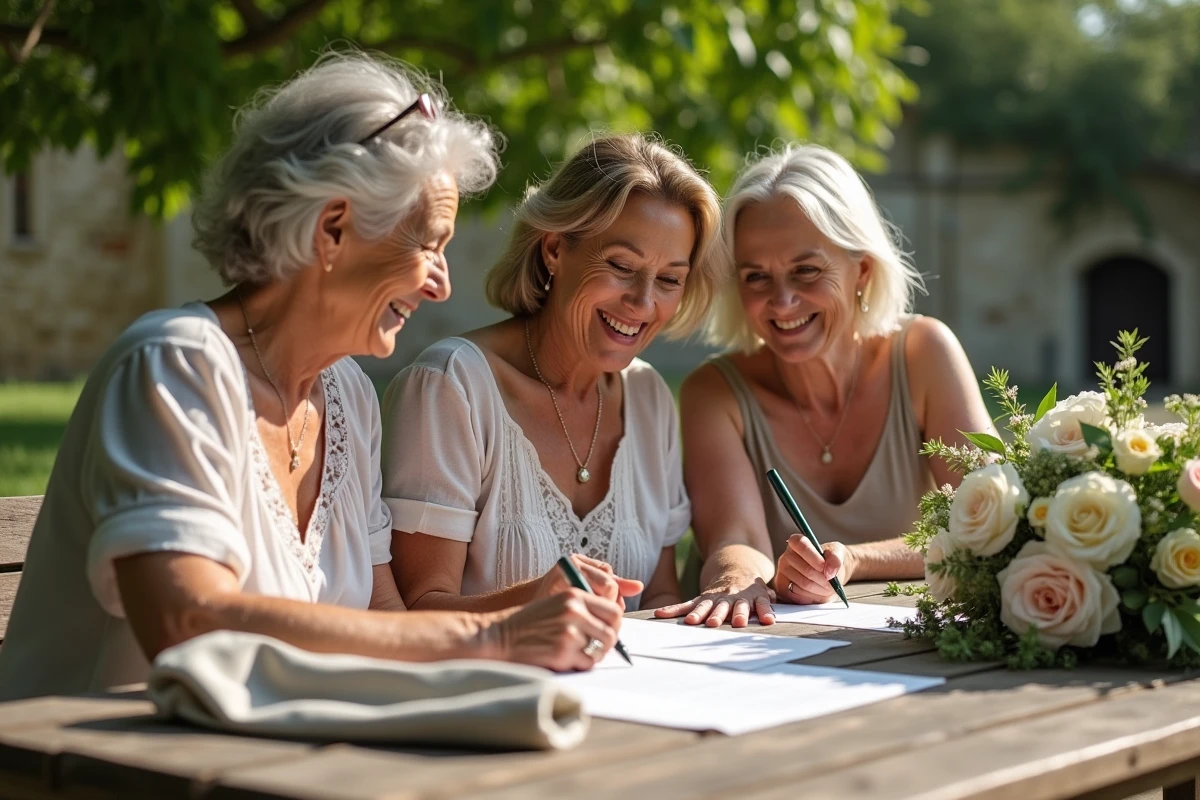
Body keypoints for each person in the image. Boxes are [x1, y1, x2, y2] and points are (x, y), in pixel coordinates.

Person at [0, 54, 625, 701]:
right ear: (333, 229)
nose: (442, 284)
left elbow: (383, 621)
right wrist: (489, 639)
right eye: (429, 245)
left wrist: (524, 604)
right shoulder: (175, 364)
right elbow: (187, 621)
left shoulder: (347, 394)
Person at [381, 134, 722, 615]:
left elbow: (660, 594)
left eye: (669, 279)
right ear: (555, 249)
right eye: (621, 266)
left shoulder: (649, 397)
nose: (644, 302)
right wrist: (537, 600)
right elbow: (417, 610)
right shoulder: (451, 385)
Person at [656, 144, 994, 628]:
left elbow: (992, 522)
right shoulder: (713, 391)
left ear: (862, 268)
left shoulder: (925, 352)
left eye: (806, 270)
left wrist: (853, 560)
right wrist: (736, 580)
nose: (783, 300)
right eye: (756, 277)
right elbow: (736, 535)